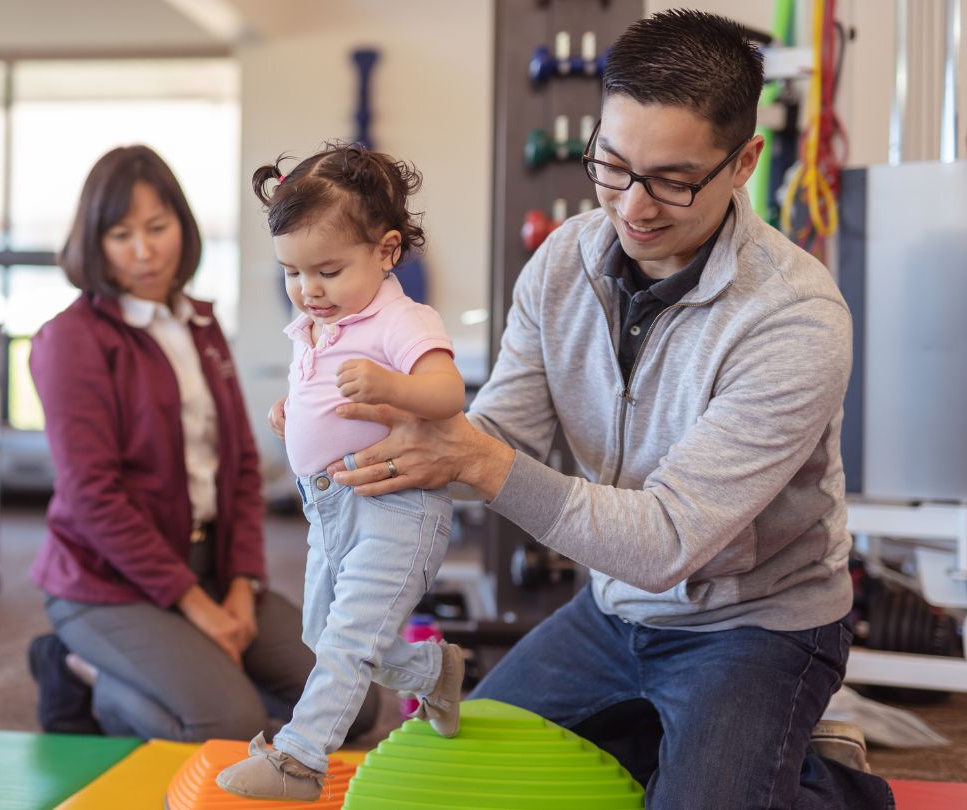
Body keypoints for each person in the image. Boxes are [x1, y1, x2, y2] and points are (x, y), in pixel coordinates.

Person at [325, 11, 895, 809]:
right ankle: (667, 743)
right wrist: (379, 437)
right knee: (459, 784)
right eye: (613, 163)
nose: (632, 206)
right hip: (610, 611)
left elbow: (666, 542)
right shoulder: (563, 260)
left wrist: (476, 462)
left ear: (745, 163)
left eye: (673, 179)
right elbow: (501, 432)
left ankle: (829, 784)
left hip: (757, 625)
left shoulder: (796, 318)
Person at [28, 144, 379, 743]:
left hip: (210, 565)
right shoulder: (70, 340)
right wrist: (196, 607)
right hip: (107, 584)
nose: (143, 250)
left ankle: (189, 671)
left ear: (181, 229)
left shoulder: (199, 322)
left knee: (357, 707)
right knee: (228, 725)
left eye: (157, 228)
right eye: (121, 234)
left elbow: (241, 465)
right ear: (95, 242)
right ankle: (80, 667)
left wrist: (241, 587)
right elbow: (93, 497)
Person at [216, 144, 466, 802]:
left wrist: (395, 385)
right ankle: (433, 670)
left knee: (349, 641)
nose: (309, 290)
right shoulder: (317, 324)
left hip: (396, 508)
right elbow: (326, 397)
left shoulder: (403, 320)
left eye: (327, 270)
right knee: (320, 633)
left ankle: (298, 760)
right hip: (328, 510)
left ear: (386, 252)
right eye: (293, 273)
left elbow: (447, 394)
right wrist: (292, 413)